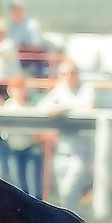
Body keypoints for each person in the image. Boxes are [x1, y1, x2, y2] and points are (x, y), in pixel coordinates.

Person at [37, 60, 96, 209]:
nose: (68, 76)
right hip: (61, 151)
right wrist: (60, 109)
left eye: (71, 73)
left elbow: (88, 108)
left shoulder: (86, 88)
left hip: (80, 152)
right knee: (63, 195)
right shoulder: (61, 89)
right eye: (64, 73)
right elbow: (42, 107)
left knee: (70, 192)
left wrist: (64, 108)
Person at [2, 75, 44, 199]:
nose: (18, 91)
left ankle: (37, 216)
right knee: (19, 188)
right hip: (14, 150)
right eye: (15, 88)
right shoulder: (7, 107)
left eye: (20, 88)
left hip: (32, 149)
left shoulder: (32, 106)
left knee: (34, 189)